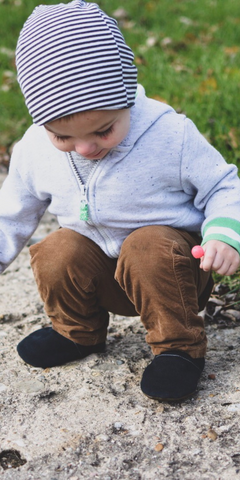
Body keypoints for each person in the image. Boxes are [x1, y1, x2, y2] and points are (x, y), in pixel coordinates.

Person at [1, 0, 240, 402]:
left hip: (172, 274)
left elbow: (223, 186)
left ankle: (179, 349)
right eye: (64, 138)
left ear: (126, 95)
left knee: (145, 244)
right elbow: (11, 213)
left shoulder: (169, 135)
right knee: (57, 248)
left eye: (104, 130)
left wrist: (224, 236)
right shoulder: (34, 151)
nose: (85, 148)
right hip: (103, 276)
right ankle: (76, 333)